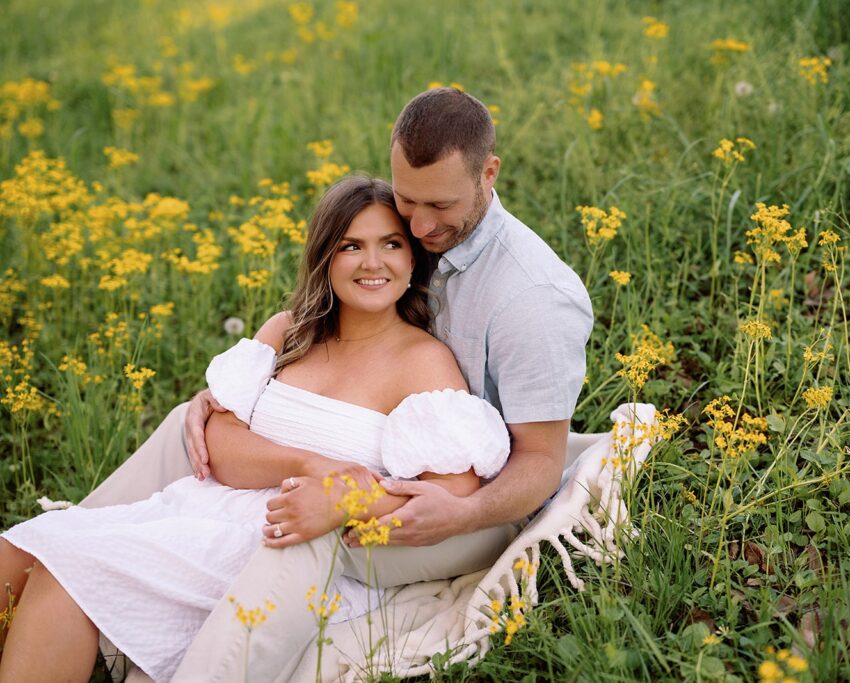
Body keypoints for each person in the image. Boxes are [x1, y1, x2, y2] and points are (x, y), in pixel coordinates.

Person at [76, 87, 593, 681]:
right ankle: (72, 559)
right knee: (181, 430)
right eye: (408, 201)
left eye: (439, 206)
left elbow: (540, 464)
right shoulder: (419, 235)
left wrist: (460, 513)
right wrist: (229, 396)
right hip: (381, 461)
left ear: (489, 173)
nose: (420, 224)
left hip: (471, 506)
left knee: (311, 525)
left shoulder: (532, 299)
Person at [0, 176, 514, 683]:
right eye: (351, 245)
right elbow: (219, 444)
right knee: (22, 551)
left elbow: (450, 495)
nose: (372, 262)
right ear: (325, 258)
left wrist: (343, 497)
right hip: (201, 510)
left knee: (67, 566)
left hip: (283, 549)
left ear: (411, 260)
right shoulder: (290, 330)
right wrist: (310, 464)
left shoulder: (423, 361)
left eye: (391, 244)